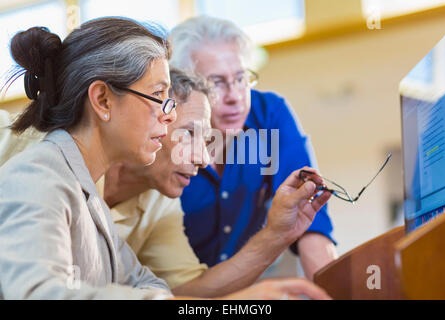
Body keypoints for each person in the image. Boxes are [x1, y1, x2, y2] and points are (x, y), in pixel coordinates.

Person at [0, 23, 330, 299]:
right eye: (160, 98)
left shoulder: (98, 210)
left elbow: (165, 289)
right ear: (102, 100)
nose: (166, 117)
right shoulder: (37, 172)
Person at [103, 69, 331, 298]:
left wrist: (278, 235)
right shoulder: (75, 169)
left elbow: (189, 289)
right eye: (190, 133)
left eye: (206, 140)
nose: (203, 160)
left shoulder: (160, 202)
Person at [0, 17, 177, 299]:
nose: (171, 114)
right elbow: (36, 294)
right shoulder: (37, 178)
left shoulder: (90, 198)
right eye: (158, 94)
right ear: (103, 100)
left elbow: (149, 284)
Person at [169, 16, 338, 279]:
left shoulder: (270, 114)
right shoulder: (166, 131)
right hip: (178, 291)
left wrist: (333, 292)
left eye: (240, 78)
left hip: (246, 287)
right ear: (183, 89)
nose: (235, 97)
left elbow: (307, 212)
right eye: (216, 83)